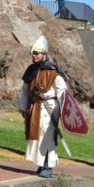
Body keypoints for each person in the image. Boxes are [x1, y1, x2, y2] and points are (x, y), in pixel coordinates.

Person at [19, 35, 67, 178]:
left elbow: (62, 91)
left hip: (49, 108)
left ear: (44, 54)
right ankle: (41, 164)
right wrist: (23, 107)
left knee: (47, 137)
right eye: (33, 53)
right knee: (36, 136)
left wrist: (63, 110)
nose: (34, 56)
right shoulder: (30, 70)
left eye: (37, 53)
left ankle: (47, 166)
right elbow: (24, 91)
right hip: (34, 107)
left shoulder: (53, 71)